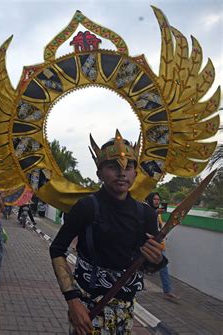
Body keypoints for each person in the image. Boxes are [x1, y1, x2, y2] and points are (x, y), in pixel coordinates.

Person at [50, 130, 167, 335]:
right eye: (113, 167)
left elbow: (148, 266)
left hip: (126, 310)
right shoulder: (86, 207)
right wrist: (73, 300)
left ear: (135, 173)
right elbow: (57, 249)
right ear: (100, 173)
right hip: (88, 307)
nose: (121, 173)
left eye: (128, 167)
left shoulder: (146, 215)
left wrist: (155, 259)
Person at [145, 192, 179, 302]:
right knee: (139, 267)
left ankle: (167, 291)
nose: (157, 201)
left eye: (158, 199)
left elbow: (158, 227)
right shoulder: (145, 211)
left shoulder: (157, 214)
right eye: (154, 199)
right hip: (148, 244)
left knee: (163, 266)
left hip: (158, 244)